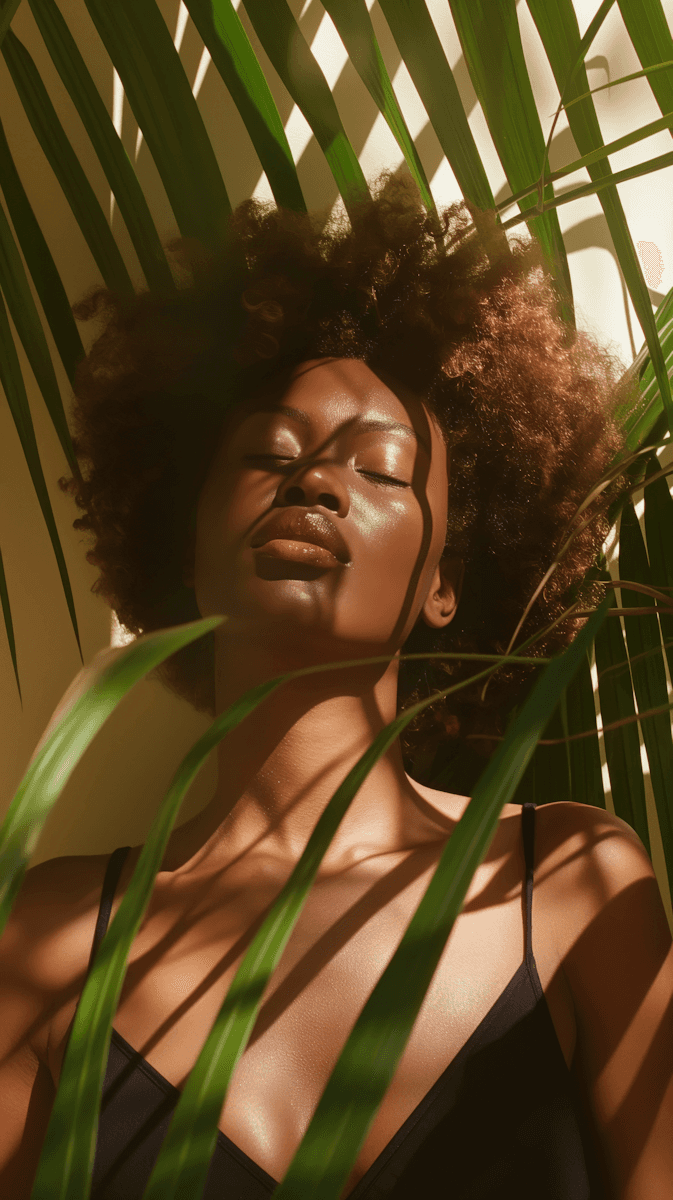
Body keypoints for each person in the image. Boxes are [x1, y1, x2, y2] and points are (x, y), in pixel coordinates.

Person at [0, 178, 671, 1199]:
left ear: (445, 581)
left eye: (382, 469)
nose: (313, 480)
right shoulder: (45, 936)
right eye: (270, 454)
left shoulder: (572, 885)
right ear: (188, 544)